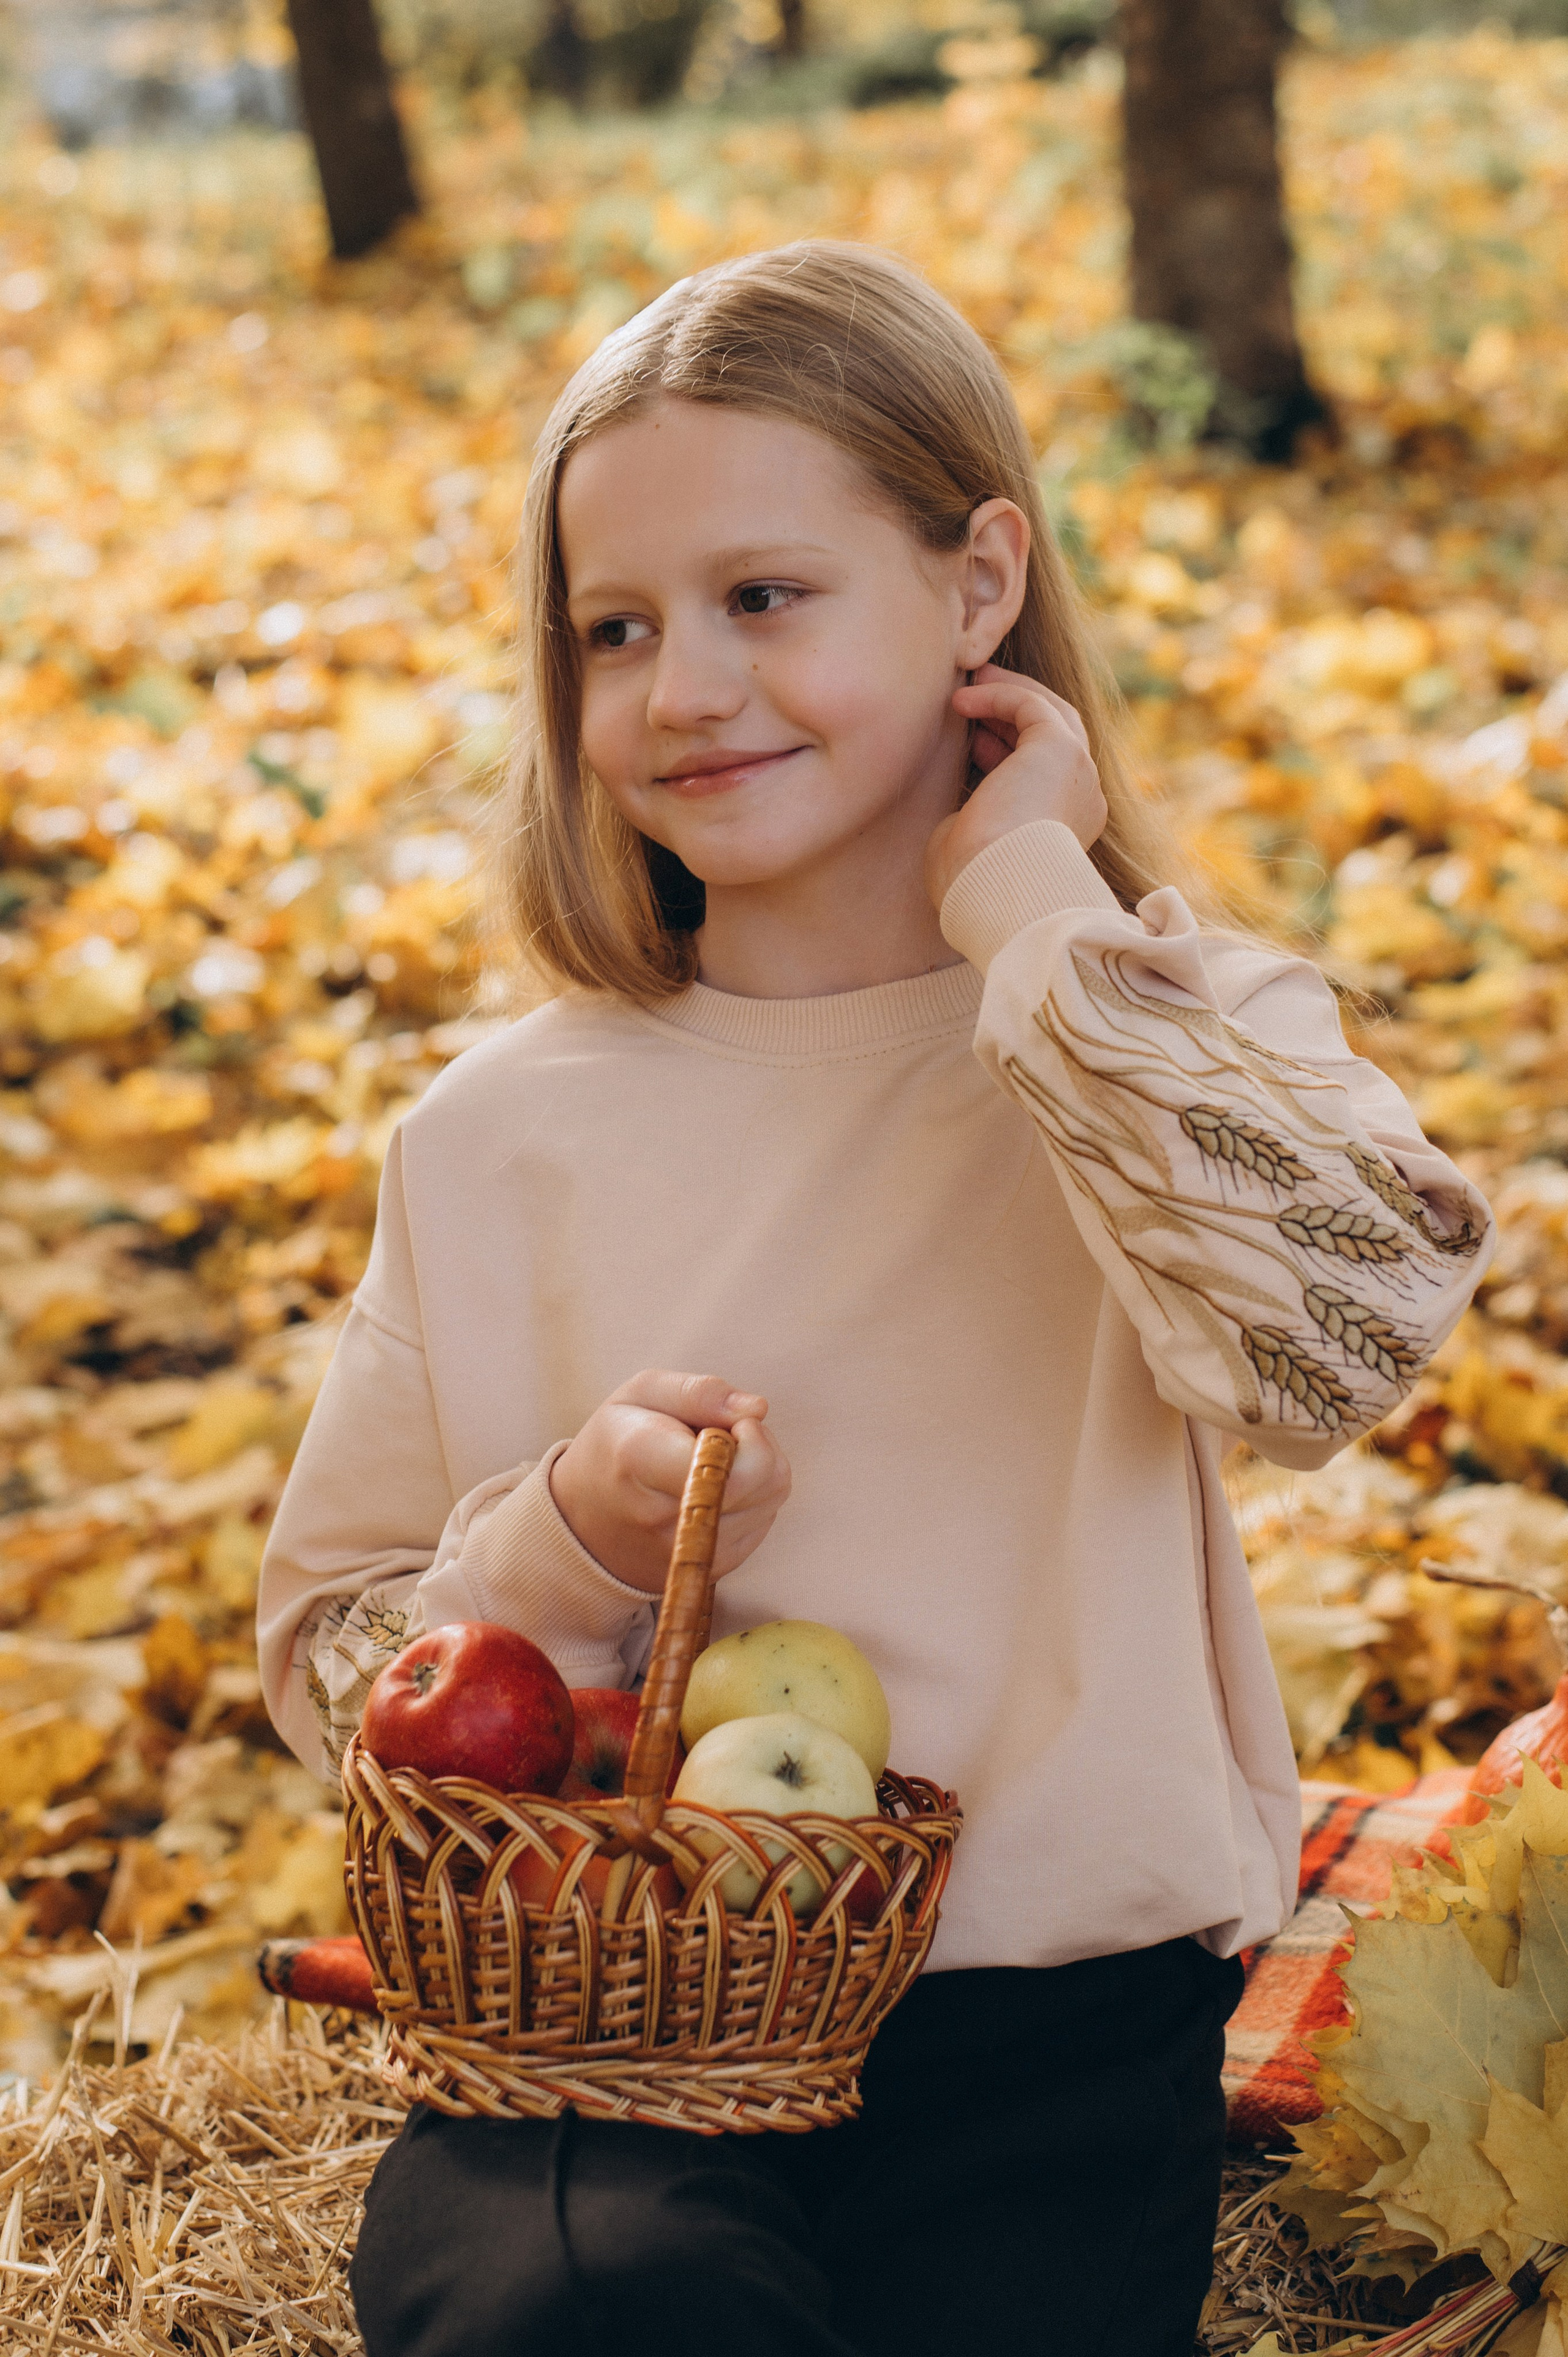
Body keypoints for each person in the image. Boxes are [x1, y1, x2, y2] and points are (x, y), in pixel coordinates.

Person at [257, 241, 1493, 2357]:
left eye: (765, 596)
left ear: (978, 585)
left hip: (1047, 2029)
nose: (685, 689)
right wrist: (563, 1549)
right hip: (611, 2021)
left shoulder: (1157, 1034)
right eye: (615, 628)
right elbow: (327, 1665)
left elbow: (1346, 1335)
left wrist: (1031, 908)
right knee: (585, 2306)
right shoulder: (498, 1135)